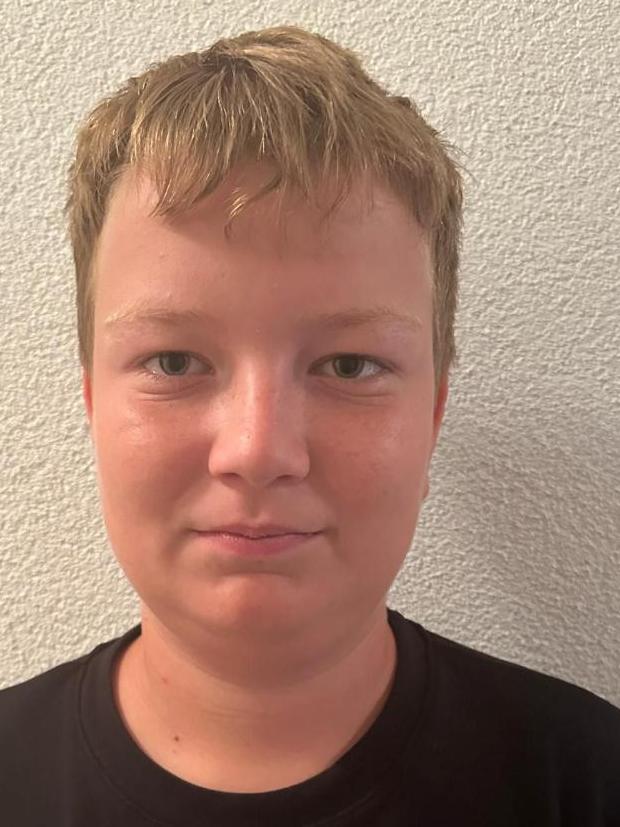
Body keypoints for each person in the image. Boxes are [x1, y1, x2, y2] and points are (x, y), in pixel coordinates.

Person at [1, 24, 618, 826]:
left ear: (433, 414)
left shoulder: (589, 781)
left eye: (349, 365)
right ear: (91, 402)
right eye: (175, 362)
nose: (258, 449)